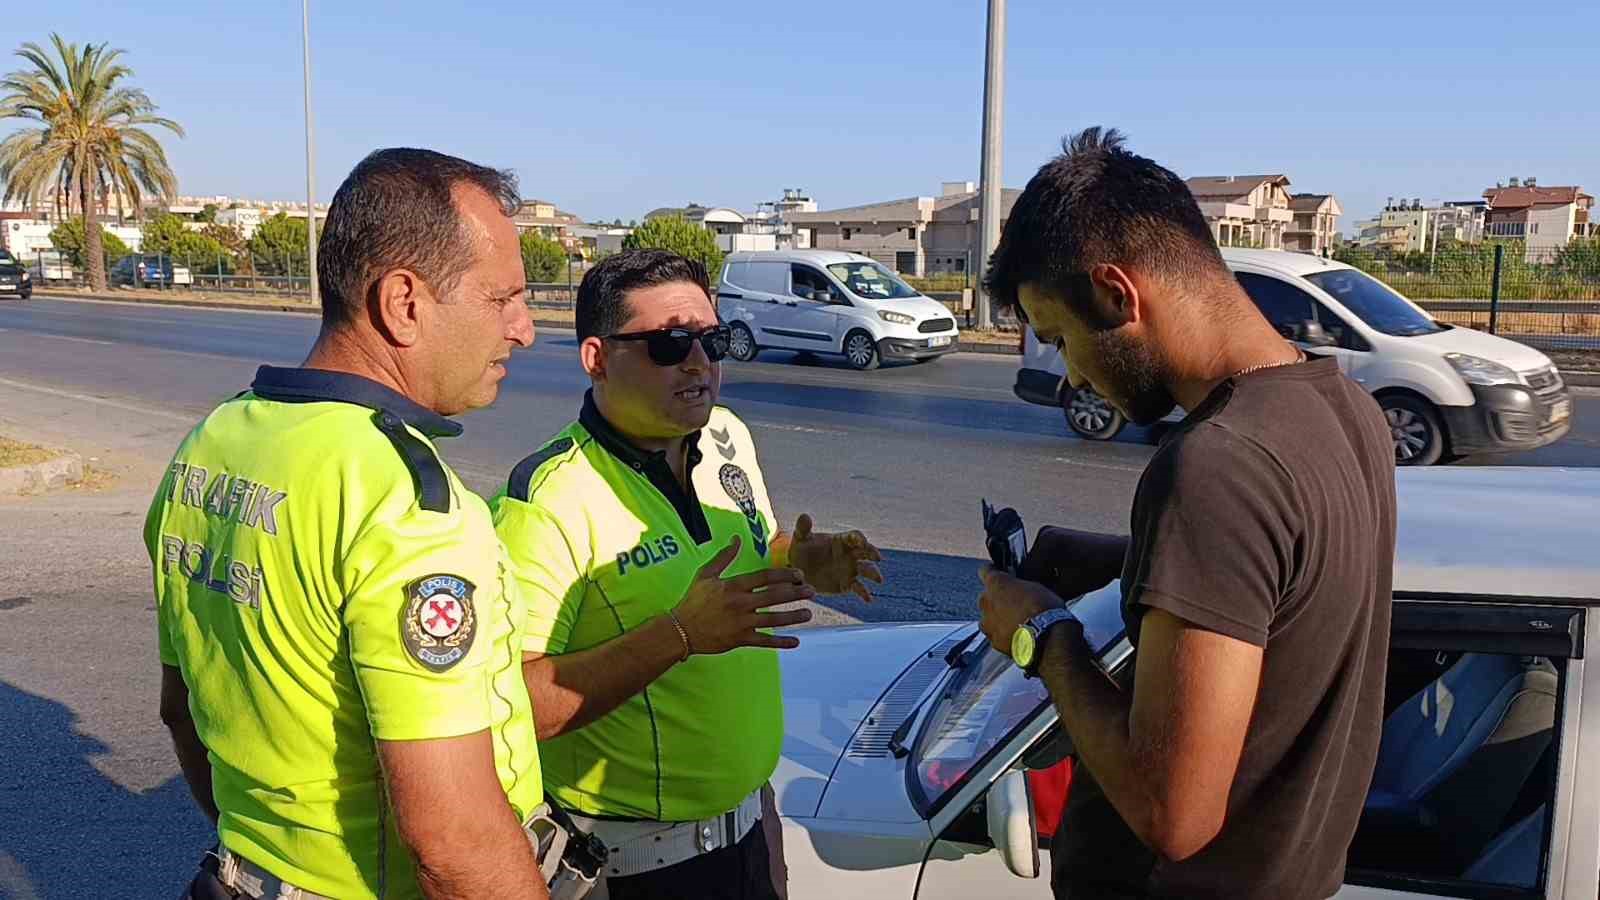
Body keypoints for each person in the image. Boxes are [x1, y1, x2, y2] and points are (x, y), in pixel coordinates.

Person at [975, 127, 1396, 900]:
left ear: (1116, 292)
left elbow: (1174, 814)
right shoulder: (1345, 408)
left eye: (1062, 338)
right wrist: (1129, 562)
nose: (1069, 374)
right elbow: (1287, 596)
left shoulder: (1218, 463)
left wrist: (1041, 636)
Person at [148, 148, 550, 900]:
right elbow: (454, 841)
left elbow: (184, 711)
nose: (524, 330)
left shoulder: (212, 442)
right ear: (404, 302)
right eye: (502, 301)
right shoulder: (407, 503)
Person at [491, 249, 883, 900]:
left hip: (752, 834)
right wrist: (677, 636)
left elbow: (745, 547)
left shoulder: (725, 434)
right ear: (596, 358)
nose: (701, 362)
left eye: (714, 338)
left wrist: (795, 557)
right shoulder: (548, 499)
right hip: (638, 869)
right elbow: (514, 704)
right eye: (671, 343)